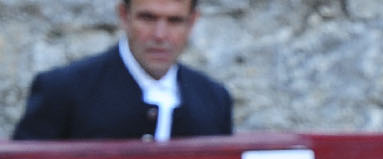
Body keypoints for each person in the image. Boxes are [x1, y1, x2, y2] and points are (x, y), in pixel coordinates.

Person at [12, 0, 233, 142]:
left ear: (192, 21)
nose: (160, 35)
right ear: (124, 16)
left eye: (174, 21)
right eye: (147, 18)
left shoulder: (214, 98)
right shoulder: (63, 89)